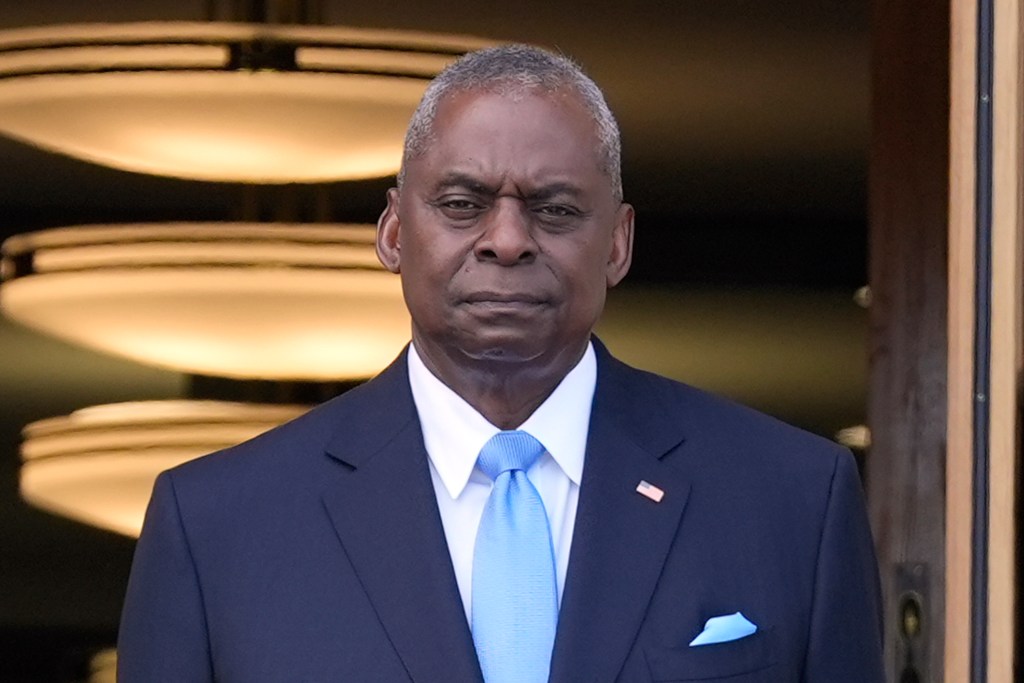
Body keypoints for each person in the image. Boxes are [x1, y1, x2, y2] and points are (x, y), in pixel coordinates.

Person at [118, 44, 884, 682]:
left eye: (553, 209)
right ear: (391, 232)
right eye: (462, 203)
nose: (508, 240)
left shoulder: (790, 501)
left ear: (617, 242)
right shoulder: (217, 526)